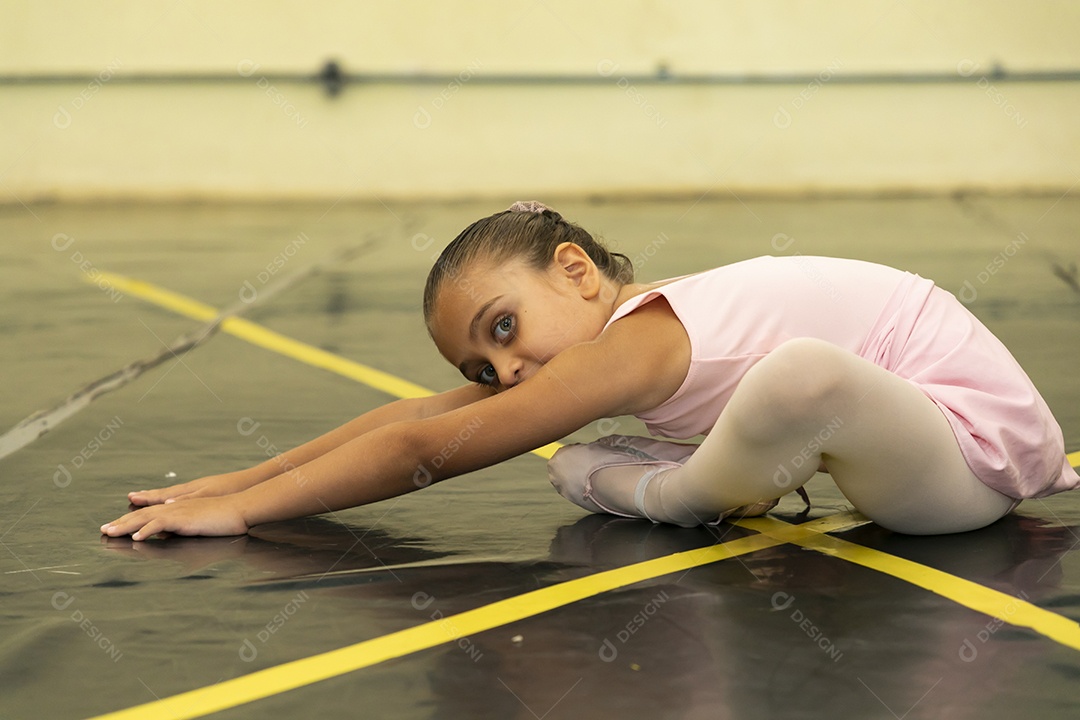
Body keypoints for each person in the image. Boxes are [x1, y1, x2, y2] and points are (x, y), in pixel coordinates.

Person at [101, 201, 1079, 541]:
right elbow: (420, 412)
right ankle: (713, 479)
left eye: (504, 328)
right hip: (905, 455)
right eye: (485, 367)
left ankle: (684, 494)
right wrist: (235, 479)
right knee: (577, 459)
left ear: (575, 272)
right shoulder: (611, 333)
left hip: (968, 461)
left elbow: (425, 452)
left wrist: (245, 514)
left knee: (802, 377)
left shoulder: (634, 341)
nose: (506, 370)